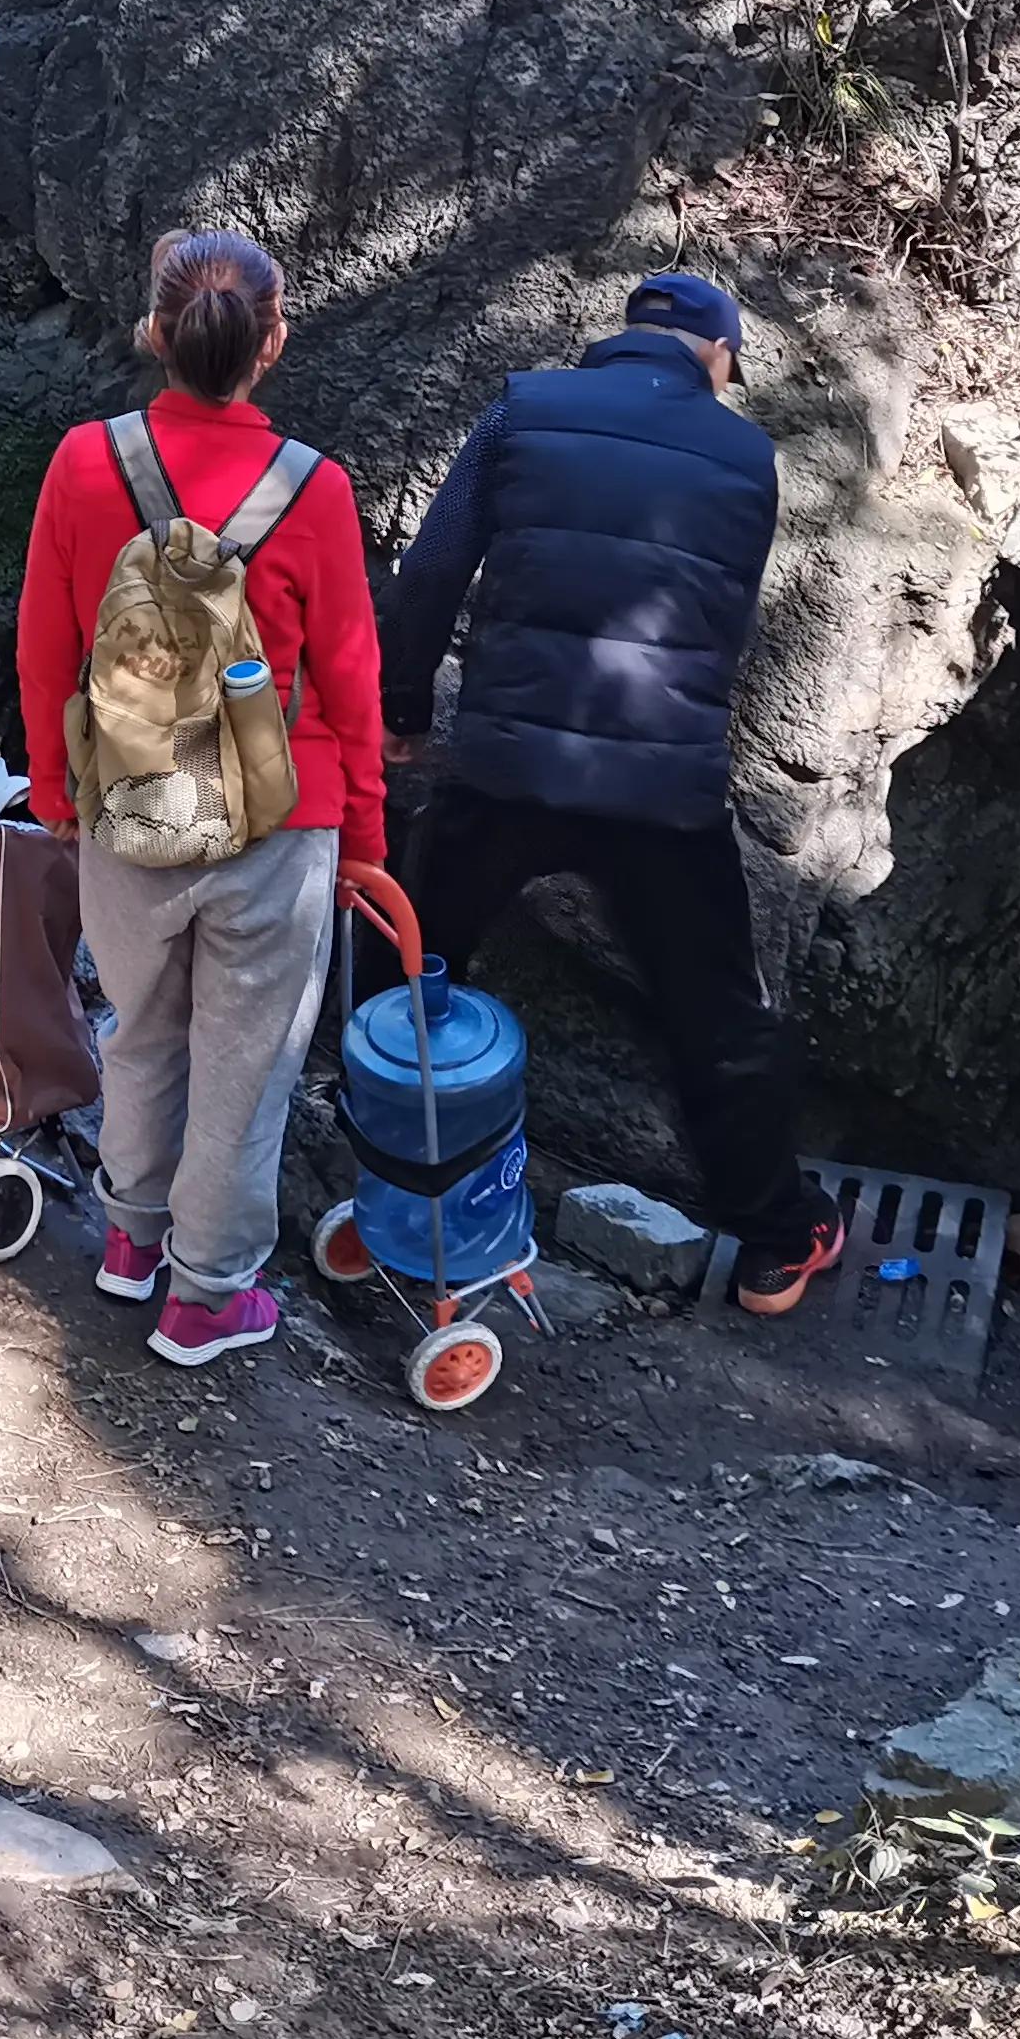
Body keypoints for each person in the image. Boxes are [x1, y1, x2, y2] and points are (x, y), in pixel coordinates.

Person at [378, 270, 844, 1316]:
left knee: (415, 956)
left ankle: (370, 1144)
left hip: (506, 768)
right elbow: (722, 622)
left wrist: (403, 708)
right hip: (660, 791)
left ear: (623, 336)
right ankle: (777, 1239)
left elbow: (435, 567)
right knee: (718, 1012)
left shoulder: (522, 408)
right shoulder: (745, 455)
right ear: (720, 357)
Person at [18, 230, 388, 1369]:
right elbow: (351, 672)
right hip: (280, 820)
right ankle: (210, 1294)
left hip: (125, 803)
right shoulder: (315, 491)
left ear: (153, 332)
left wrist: (52, 788)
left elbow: (45, 644)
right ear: (272, 343)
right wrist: (365, 833)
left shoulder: (88, 460)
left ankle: (131, 1245)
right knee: (247, 1064)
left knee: (141, 1032)